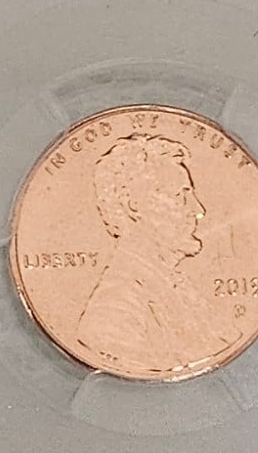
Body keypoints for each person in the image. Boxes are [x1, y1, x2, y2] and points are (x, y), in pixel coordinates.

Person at [74, 131, 207, 364]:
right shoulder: (114, 316)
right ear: (133, 205)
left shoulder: (177, 290)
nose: (198, 210)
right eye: (180, 196)